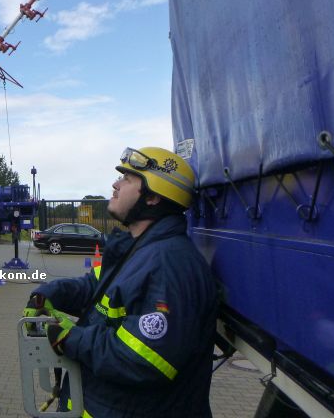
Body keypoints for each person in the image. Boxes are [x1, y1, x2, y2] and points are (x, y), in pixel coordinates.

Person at [24, 147, 218, 417]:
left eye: (127, 179)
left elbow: (145, 359)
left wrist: (72, 338)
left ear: (151, 197)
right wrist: (48, 293)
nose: (115, 184)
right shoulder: (136, 249)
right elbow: (94, 287)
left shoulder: (171, 264)